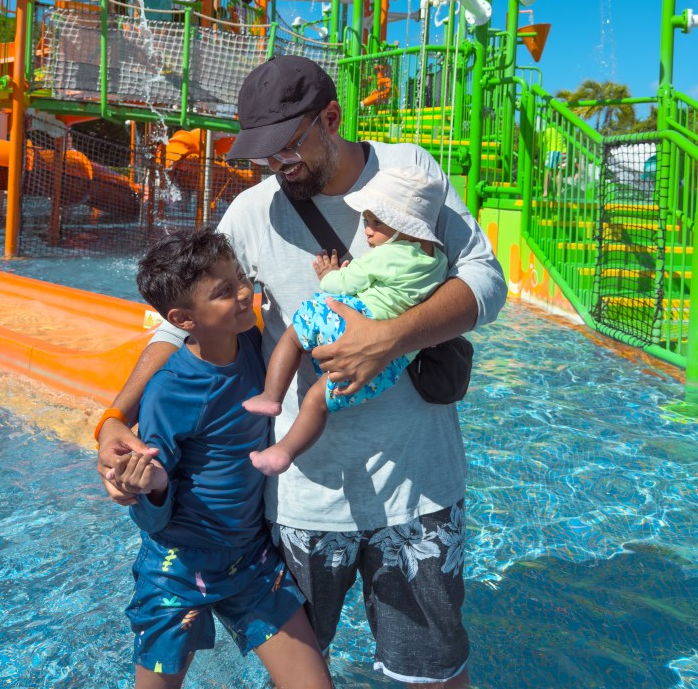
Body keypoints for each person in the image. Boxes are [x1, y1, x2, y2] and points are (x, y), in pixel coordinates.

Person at [97, 55, 507, 687]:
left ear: (331, 119)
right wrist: (115, 415)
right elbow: (181, 324)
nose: (275, 165)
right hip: (304, 501)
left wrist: (389, 339)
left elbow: (485, 279)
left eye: (287, 147)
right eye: (263, 154)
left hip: (418, 487)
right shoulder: (251, 212)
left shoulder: (408, 172)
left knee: (434, 673)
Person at [112, 227, 332, 689]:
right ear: (183, 319)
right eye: (224, 291)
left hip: (251, 558)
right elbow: (150, 506)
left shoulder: (253, 347)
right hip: (177, 566)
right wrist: (151, 485)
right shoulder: (170, 390)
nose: (244, 293)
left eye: (241, 279)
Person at [244, 165, 449, 477]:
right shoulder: (439, 261)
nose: (367, 230)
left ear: (404, 226)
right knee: (318, 400)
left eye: (377, 222)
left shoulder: (388, 254)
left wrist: (329, 273)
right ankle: (283, 452)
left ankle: (271, 396)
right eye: (367, 221)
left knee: (293, 335)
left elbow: (339, 286)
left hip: (349, 324)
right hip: (389, 360)